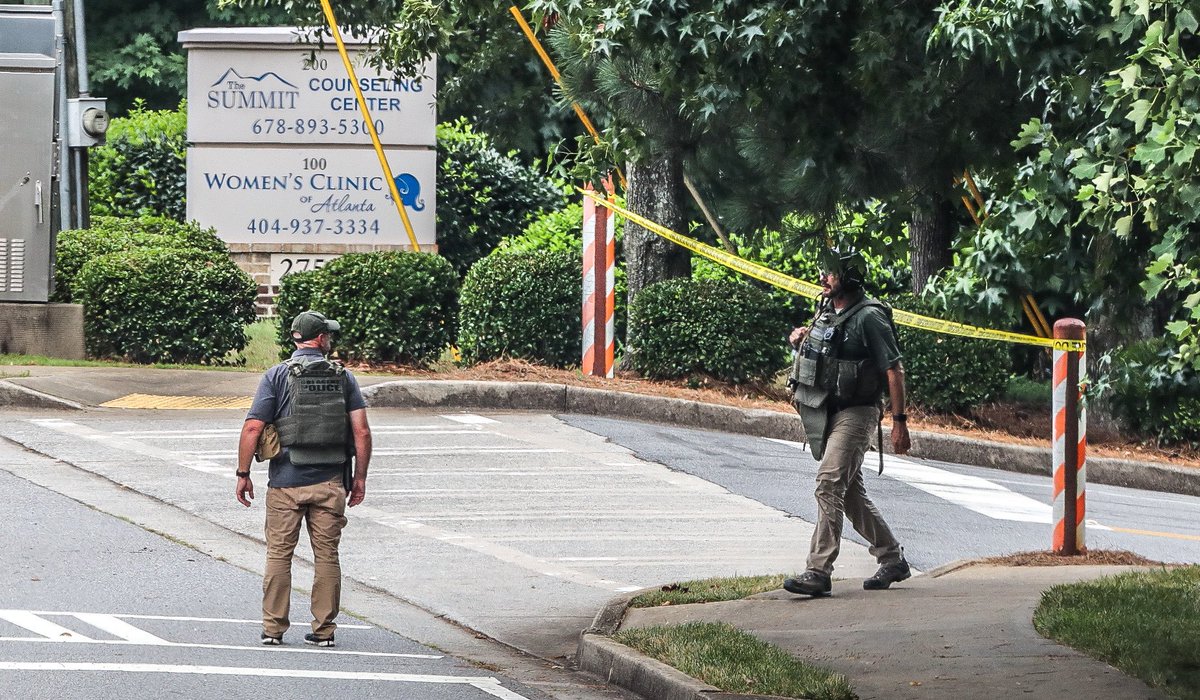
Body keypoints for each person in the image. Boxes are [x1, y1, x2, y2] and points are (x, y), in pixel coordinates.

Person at [235, 310, 372, 646]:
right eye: (329, 335)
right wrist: (359, 479)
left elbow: (254, 426)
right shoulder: (344, 376)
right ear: (320, 338)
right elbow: (362, 432)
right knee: (326, 556)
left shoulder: (276, 375)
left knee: (279, 554)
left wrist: (243, 474)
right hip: (330, 482)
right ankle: (324, 631)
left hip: (285, 482)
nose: (330, 340)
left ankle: (273, 629)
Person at [782, 249, 911, 597]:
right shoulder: (827, 310)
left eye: (831, 273)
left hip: (858, 412)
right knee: (850, 496)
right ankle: (892, 558)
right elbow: (827, 350)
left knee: (828, 483)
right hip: (828, 410)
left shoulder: (870, 317)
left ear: (850, 279)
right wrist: (801, 338)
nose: (824, 278)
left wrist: (900, 422)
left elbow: (894, 369)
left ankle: (818, 571)